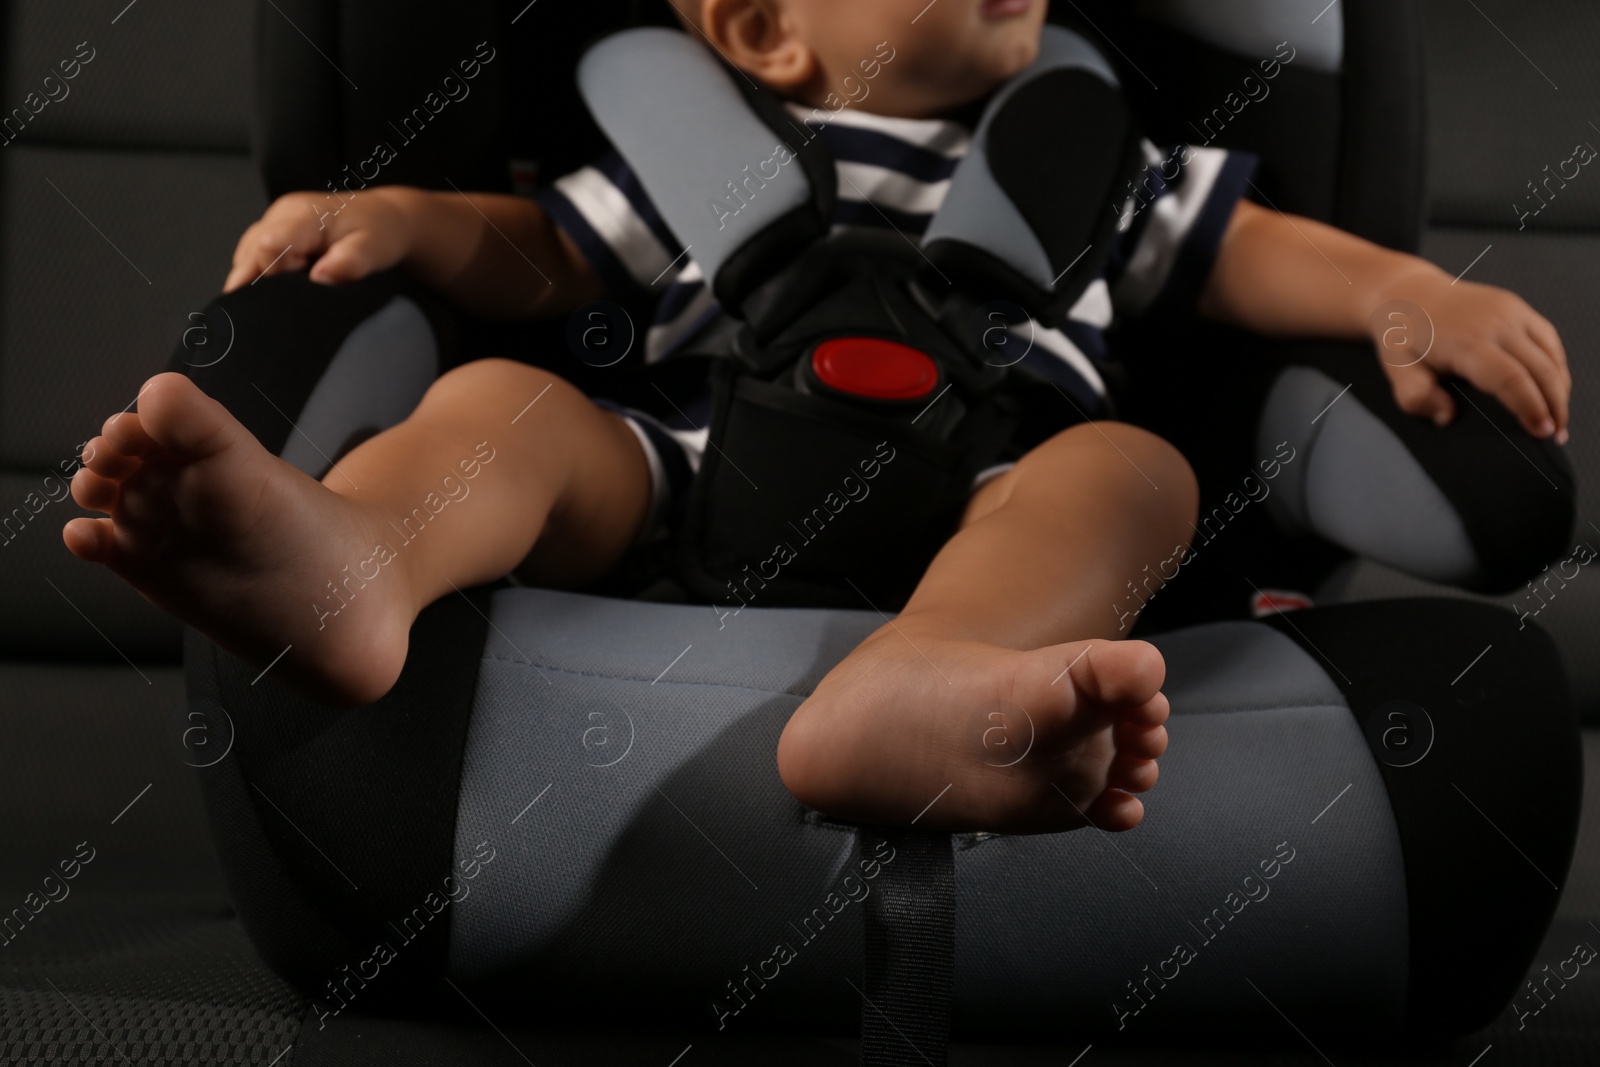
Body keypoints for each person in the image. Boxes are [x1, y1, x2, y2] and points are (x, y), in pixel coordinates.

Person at [62, 0, 1568, 837]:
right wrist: (397, 216)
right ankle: (362, 558)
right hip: (694, 474)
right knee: (504, 404)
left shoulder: (1094, 153)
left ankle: (927, 681)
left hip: (998, 487)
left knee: (1132, 471)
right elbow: (542, 256)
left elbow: (1244, 253)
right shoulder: (708, 150)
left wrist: (1393, 291)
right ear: (766, 29)